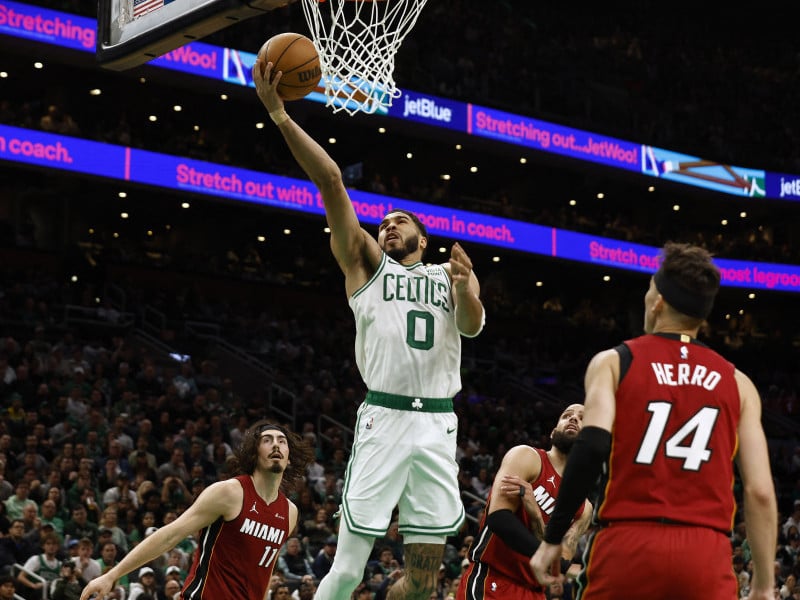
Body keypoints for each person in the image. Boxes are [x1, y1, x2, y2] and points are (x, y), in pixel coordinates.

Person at [253, 54, 485, 600]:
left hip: (439, 426)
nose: (387, 225)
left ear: (422, 239)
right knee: (349, 567)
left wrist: (468, 287)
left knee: (427, 579)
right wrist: (281, 115)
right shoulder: (365, 266)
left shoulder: (448, 272)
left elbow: (472, 327)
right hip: (385, 417)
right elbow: (332, 179)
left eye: (399, 221)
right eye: (383, 223)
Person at [529, 242, 778, 600]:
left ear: (657, 301)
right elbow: (760, 491)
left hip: (628, 543)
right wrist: (764, 585)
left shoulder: (613, 362)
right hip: (706, 552)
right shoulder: (739, 383)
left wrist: (553, 538)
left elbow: (592, 444)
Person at [80, 421, 313, 600]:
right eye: (267, 440)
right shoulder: (229, 493)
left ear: (289, 458)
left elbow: (264, 570)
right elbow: (169, 535)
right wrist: (112, 575)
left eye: (282, 441)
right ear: (254, 453)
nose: (276, 445)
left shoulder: (289, 513)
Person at [456, 404, 592, 600]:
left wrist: (536, 516)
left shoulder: (584, 508)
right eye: (567, 415)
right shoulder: (527, 457)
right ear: (553, 432)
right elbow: (499, 519)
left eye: (582, 418)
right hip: (493, 579)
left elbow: (556, 566)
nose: (573, 419)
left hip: (534, 593)